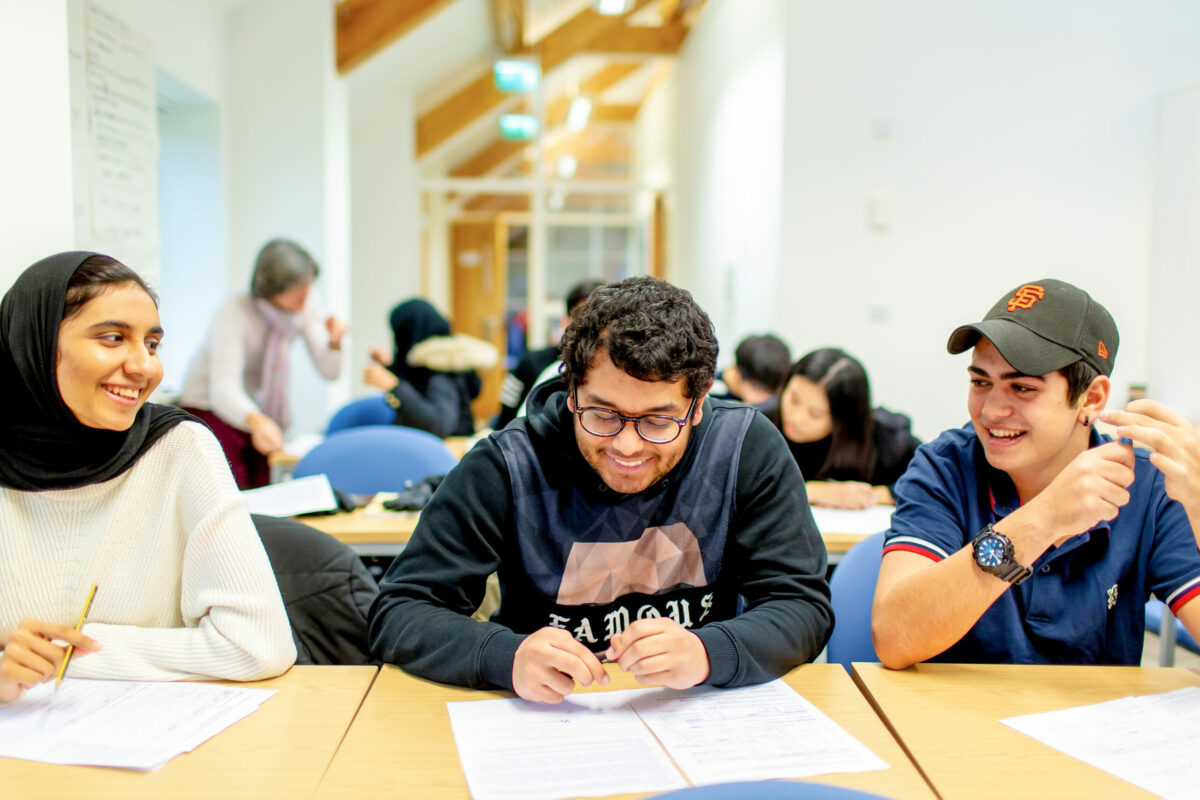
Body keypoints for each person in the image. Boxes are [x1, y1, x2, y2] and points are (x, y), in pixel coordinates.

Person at [369, 276, 832, 704]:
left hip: (690, 712)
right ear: (572, 391)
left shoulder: (743, 450)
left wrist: (708, 652)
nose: (627, 446)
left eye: (657, 420)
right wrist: (504, 657)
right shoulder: (508, 464)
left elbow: (802, 604)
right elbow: (400, 610)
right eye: (603, 414)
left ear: (699, 402)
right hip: (544, 716)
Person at [0, 252, 295, 704]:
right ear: (34, 344)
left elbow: (258, 646)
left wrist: (73, 654)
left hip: (156, 751)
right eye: (113, 338)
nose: (144, 367)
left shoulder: (180, 448)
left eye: (152, 344)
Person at [872, 279, 1200, 668]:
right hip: (959, 722)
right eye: (980, 382)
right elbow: (895, 638)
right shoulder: (945, 467)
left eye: (1023, 388)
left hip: (1098, 722)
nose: (991, 411)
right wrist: (1042, 519)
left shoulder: (1148, 487)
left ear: (1091, 398)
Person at [179, 239, 346, 489]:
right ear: (271, 288)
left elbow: (330, 372)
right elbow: (224, 390)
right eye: (298, 286)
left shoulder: (306, 303)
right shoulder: (234, 312)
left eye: (309, 283)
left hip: (256, 410)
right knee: (231, 488)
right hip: (211, 407)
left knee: (264, 489)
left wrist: (334, 343)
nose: (307, 292)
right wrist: (257, 420)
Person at [759, 348, 920, 509]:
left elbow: (930, 478)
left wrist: (871, 495)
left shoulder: (886, 437)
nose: (796, 418)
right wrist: (814, 491)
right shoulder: (758, 421)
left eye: (816, 413)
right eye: (794, 400)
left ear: (844, 418)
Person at [363, 298, 483, 437]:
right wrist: (389, 366)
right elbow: (417, 385)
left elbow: (440, 424)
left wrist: (394, 386)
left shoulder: (440, 369)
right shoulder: (428, 362)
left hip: (445, 453)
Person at [495, 278, 604, 430]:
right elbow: (505, 419)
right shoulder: (533, 364)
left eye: (602, 321)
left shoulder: (616, 372)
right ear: (565, 322)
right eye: (584, 320)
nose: (593, 330)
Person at [715, 334, 791, 405]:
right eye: (759, 389)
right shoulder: (711, 392)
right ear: (737, 373)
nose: (766, 399)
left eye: (772, 392)